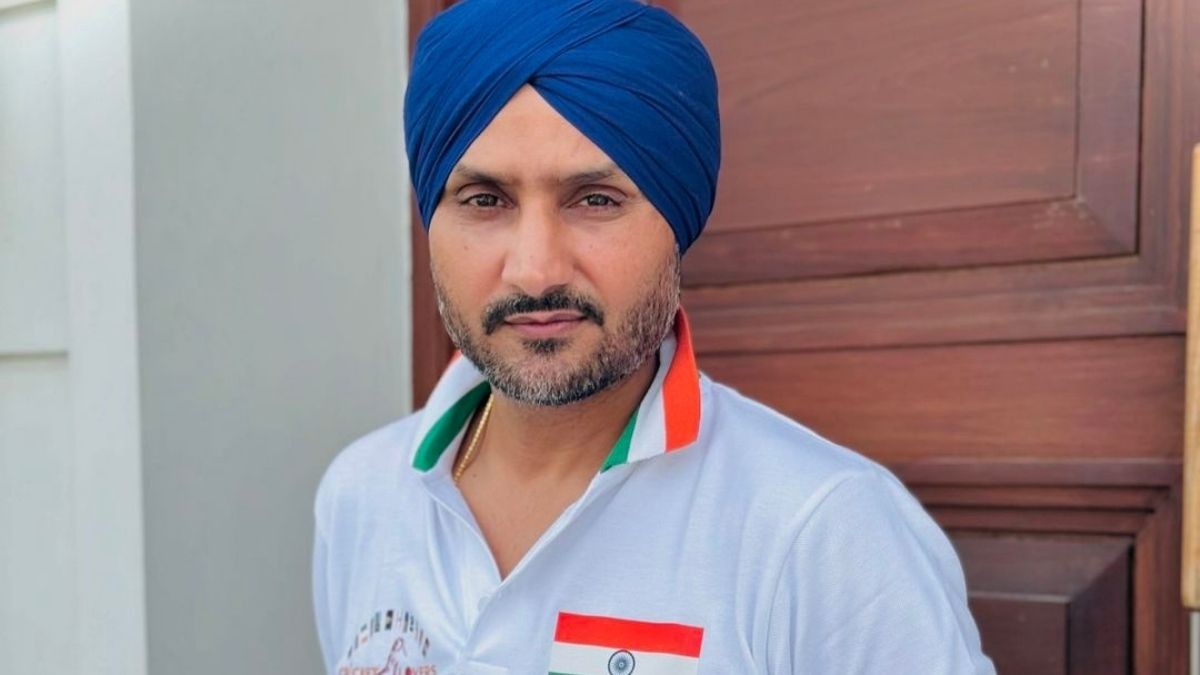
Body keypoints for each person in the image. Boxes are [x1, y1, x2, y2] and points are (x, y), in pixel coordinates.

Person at [312, 1, 996, 673]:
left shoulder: (822, 529)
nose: (535, 269)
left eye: (595, 200)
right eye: (485, 200)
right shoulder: (361, 494)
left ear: (677, 222)